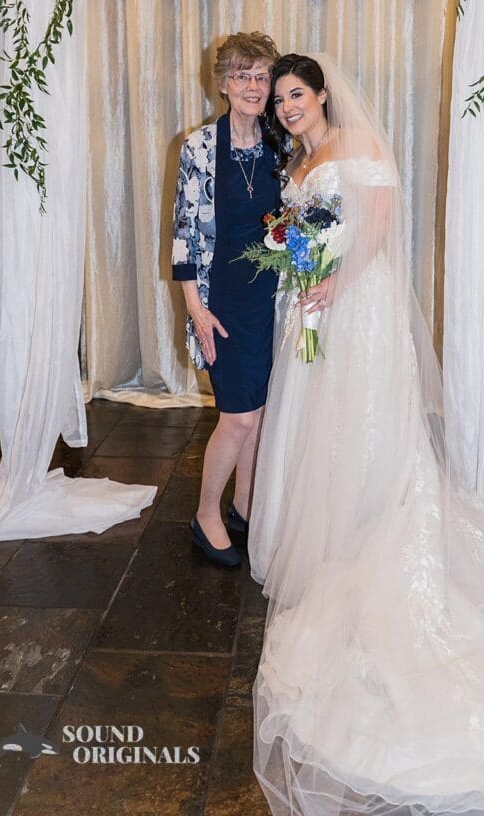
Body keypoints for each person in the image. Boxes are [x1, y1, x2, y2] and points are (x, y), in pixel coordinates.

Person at [249, 54, 484, 816]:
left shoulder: (359, 147)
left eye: (296, 93)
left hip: (355, 304)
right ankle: (332, 532)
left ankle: (379, 529)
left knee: (366, 425)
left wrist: (330, 284)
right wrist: (298, 263)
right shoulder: (303, 158)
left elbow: (378, 234)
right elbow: (298, 230)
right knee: (317, 428)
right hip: (311, 306)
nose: (287, 106)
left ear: (320, 93)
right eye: (279, 97)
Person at [172, 31, 284, 568]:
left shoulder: (278, 142)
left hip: (272, 300)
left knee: (259, 414)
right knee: (236, 418)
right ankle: (205, 514)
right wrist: (196, 309)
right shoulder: (199, 146)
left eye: (262, 76)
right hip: (221, 303)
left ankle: (243, 504)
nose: (253, 86)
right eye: (242, 74)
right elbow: (184, 234)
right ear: (221, 83)